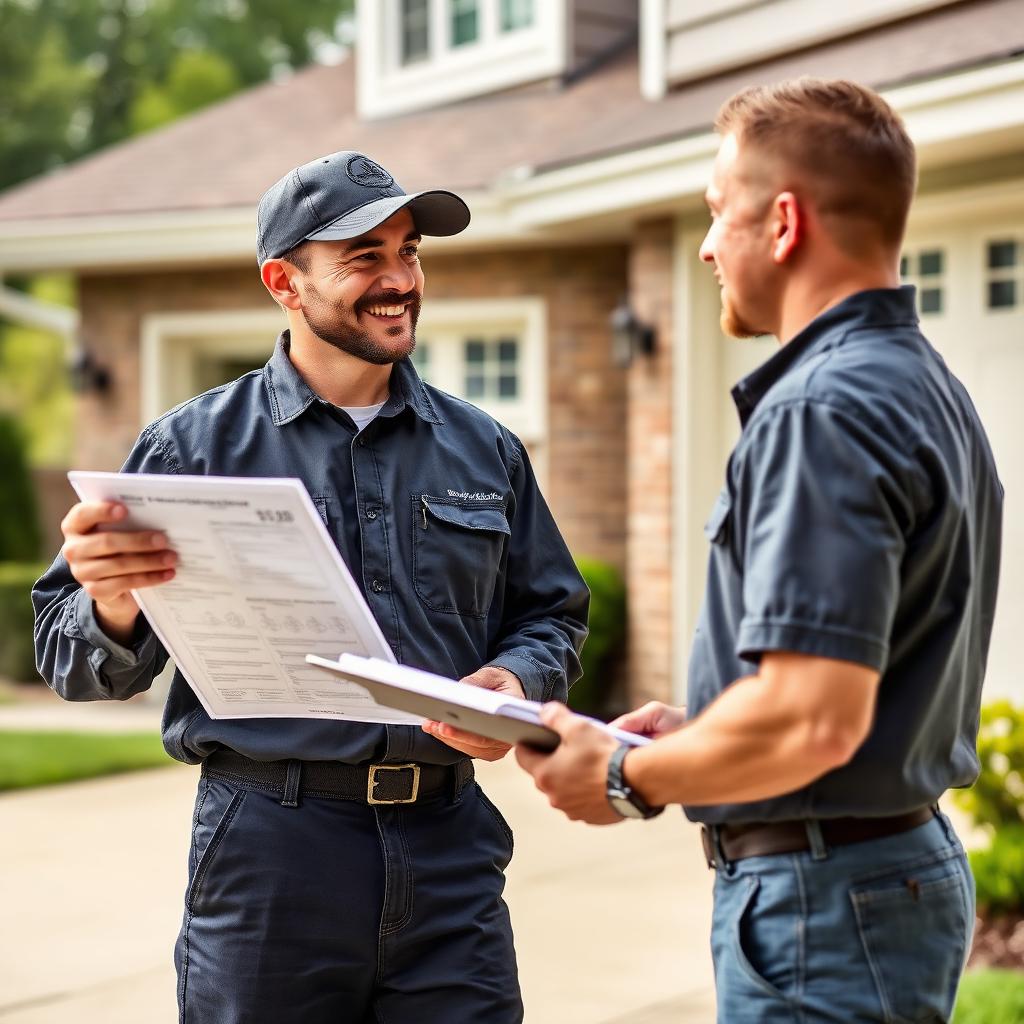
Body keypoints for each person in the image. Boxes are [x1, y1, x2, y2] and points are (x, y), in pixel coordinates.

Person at [33, 150, 589, 1024]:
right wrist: (113, 601)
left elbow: (551, 615)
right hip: (270, 854)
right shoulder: (190, 450)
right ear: (284, 282)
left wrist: (516, 684)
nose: (399, 278)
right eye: (363, 257)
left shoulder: (487, 450)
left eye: (408, 251)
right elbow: (70, 660)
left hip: (450, 848)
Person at [515, 78, 1002, 1022]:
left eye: (716, 212)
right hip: (879, 877)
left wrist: (620, 777)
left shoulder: (823, 410)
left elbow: (815, 721)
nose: (705, 245)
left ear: (782, 222)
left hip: (825, 900)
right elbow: (860, 676)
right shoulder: (924, 384)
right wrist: (703, 730)